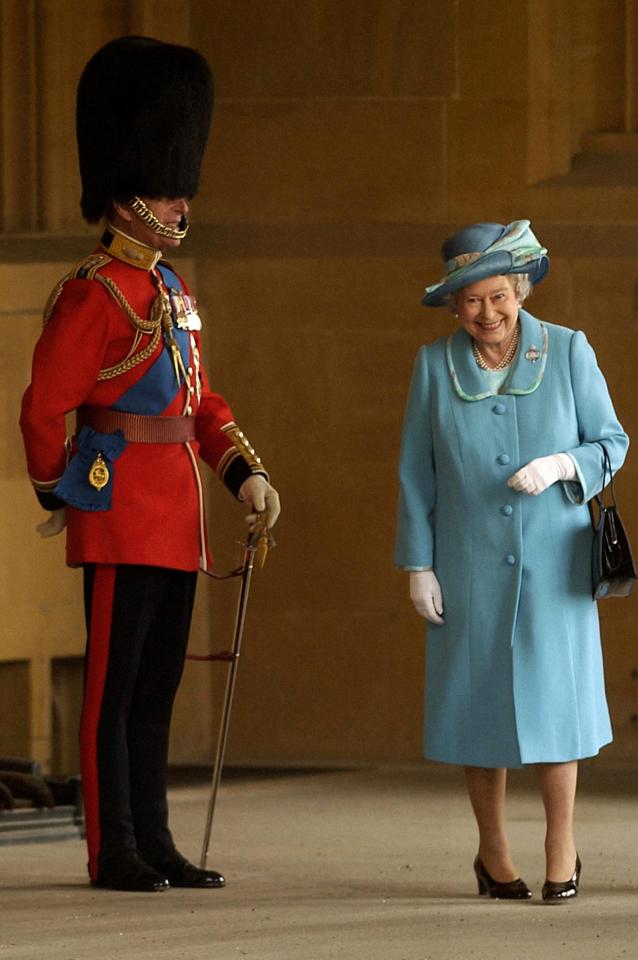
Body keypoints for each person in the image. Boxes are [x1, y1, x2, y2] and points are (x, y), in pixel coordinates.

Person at [20, 36, 280, 893]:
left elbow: (203, 405)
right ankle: (112, 847)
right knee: (112, 692)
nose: (180, 201)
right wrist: (58, 487)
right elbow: (43, 406)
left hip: (176, 518)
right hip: (116, 511)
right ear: (130, 194)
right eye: (169, 188)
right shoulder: (94, 294)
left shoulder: (172, 295)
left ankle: (156, 840)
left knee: (157, 687)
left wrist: (246, 476)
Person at [395, 220, 628, 902]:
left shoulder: (568, 350)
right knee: (476, 710)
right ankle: (492, 853)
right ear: (453, 305)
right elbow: (416, 472)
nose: (488, 313)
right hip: (465, 563)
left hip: (554, 563)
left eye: (499, 296)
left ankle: (563, 845)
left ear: (520, 289)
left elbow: (611, 442)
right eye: (471, 300)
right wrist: (418, 563)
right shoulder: (434, 366)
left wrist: (563, 464)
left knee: (558, 708)